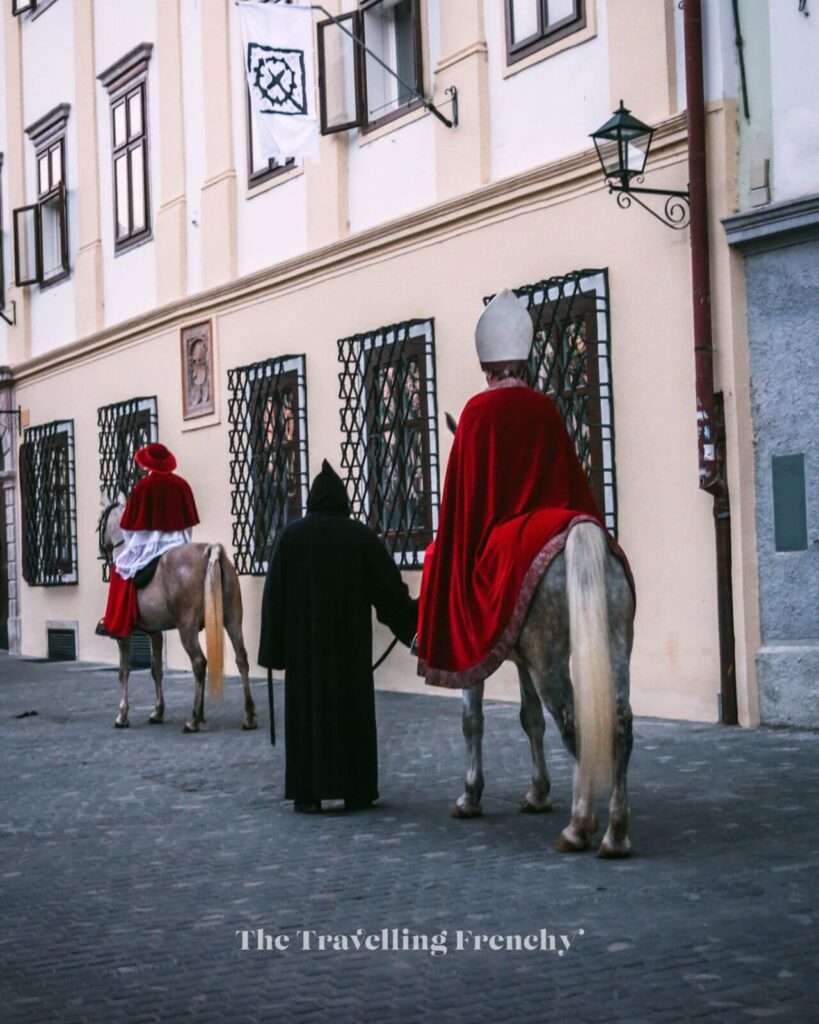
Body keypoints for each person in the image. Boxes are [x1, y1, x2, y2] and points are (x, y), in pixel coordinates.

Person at [416, 289, 607, 689]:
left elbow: (461, 497)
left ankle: (429, 640)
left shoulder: (476, 413)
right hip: (559, 520)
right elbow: (571, 476)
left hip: (499, 533)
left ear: (487, 369)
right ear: (522, 362)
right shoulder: (545, 407)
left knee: (438, 556)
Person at [258, 460, 418, 814]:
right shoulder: (360, 537)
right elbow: (390, 595)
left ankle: (307, 794)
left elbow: (274, 601)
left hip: (305, 656)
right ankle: (356, 790)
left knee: (306, 716)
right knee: (352, 714)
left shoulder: (290, 538)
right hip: (350, 653)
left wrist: (274, 652)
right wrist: (415, 627)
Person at [96, 443, 199, 638]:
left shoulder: (143, 487)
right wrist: (183, 541)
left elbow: (127, 528)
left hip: (149, 547)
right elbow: (189, 523)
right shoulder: (182, 485)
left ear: (148, 464)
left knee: (120, 569)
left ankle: (116, 621)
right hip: (180, 543)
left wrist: (135, 543)